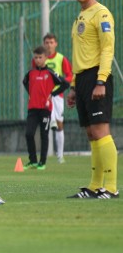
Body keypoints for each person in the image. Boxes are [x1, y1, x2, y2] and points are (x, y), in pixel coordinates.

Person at [66, 0, 118, 199]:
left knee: (101, 130)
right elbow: (80, 54)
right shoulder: (80, 16)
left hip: (98, 76)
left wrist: (101, 81)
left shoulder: (101, 13)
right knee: (91, 132)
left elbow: (107, 49)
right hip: (84, 79)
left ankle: (112, 187)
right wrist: (76, 87)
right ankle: (95, 186)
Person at [23, 46, 69, 170]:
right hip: (32, 109)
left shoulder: (50, 73)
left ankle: (42, 162)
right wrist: (31, 93)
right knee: (29, 134)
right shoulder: (31, 73)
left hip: (45, 109)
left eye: (40, 57)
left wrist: (53, 93)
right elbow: (24, 82)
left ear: (45, 58)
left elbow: (65, 83)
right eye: (36, 57)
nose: (38, 60)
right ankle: (32, 160)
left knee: (44, 134)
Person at [43, 33, 73, 163]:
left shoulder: (61, 59)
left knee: (60, 125)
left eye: (51, 42)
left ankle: (60, 155)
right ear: (44, 44)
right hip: (44, 95)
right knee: (46, 119)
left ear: (56, 44)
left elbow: (69, 76)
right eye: (47, 42)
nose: (49, 45)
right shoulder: (40, 58)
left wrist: (62, 81)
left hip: (58, 95)